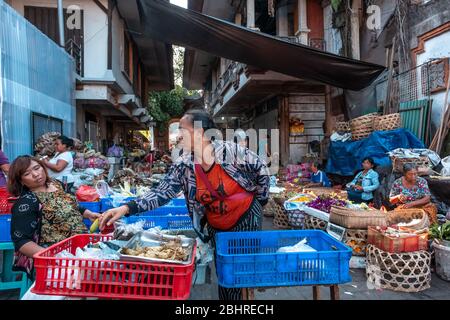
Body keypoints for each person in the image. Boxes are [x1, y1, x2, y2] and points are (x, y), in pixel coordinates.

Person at [99, 109, 270, 300]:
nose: (179, 135)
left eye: (182, 129)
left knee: (241, 273)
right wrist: (126, 208)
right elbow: (161, 192)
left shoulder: (230, 152)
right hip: (216, 225)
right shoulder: (184, 164)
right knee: (224, 273)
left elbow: (261, 169)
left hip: (245, 218)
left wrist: (260, 201)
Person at [8, 156, 100, 278]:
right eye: (27, 174)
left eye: (37, 168)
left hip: (81, 249)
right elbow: (21, 242)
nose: (36, 174)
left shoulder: (57, 184)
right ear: (21, 181)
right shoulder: (27, 203)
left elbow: (72, 204)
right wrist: (53, 257)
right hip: (55, 259)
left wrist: (89, 214)